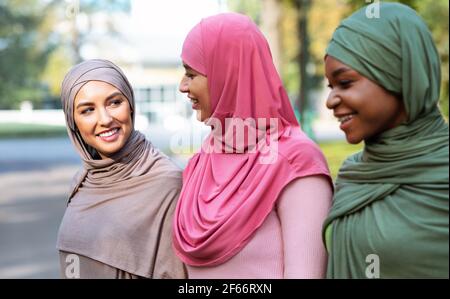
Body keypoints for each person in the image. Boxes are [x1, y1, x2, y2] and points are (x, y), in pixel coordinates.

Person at [172, 13, 333, 279]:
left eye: (191, 74)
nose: (182, 86)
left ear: (227, 74)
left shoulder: (295, 160)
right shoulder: (204, 159)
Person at [323, 2, 449, 278]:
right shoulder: (354, 175)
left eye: (345, 83)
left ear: (398, 74)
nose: (330, 100)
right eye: (331, 87)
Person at [56, 59, 186, 279]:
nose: (105, 119)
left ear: (131, 104)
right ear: (73, 121)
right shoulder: (82, 182)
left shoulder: (166, 182)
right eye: (88, 110)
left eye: (114, 103)